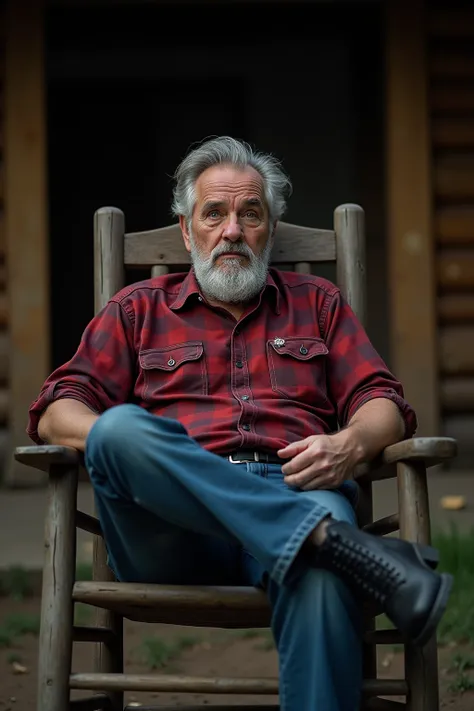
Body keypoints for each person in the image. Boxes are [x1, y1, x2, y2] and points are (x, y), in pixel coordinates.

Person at [28, 136, 451, 711]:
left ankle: (322, 543)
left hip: (295, 484)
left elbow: (383, 401)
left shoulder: (318, 303)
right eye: (214, 214)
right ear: (187, 230)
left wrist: (350, 444)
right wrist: (111, 435)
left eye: (250, 214)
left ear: (270, 229)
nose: (232, 230)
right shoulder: (136, 309)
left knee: (322, 572)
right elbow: (58, 408)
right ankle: (329, 541)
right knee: (119, 429)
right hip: (168, 526)